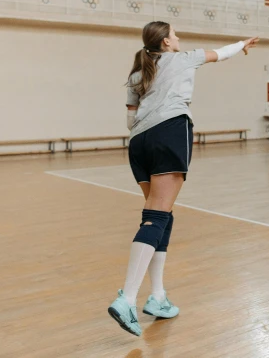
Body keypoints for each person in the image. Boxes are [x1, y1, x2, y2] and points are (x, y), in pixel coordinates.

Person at [109, 21, 259, 336]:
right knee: (156, 216)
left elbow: (129, 118)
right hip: (170, 132)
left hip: (138, 143)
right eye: (174, 34)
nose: (178, 38)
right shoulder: (182, 58)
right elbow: (220, 54)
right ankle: (127, 297)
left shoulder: (137, 75)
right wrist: (242, 44)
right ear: (165, 42)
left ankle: (158, 296)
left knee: (161, 215)